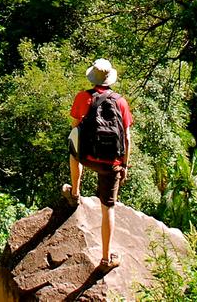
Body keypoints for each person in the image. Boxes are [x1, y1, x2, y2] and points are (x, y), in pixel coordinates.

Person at [63, 57, 133, 272]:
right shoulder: (120, 101)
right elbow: (127, 137)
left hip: (88, 156)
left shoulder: (83, 97)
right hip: (111, 163)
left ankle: (74, 193)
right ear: (110, 79)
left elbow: (75, 126)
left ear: (93, 77)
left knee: (72, 148)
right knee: (108, 208)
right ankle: (105, 259)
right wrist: (124, 166)